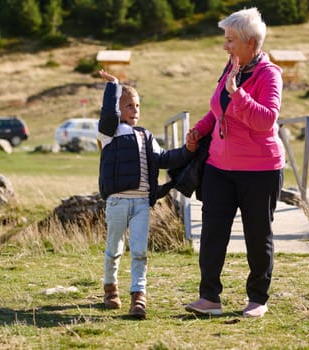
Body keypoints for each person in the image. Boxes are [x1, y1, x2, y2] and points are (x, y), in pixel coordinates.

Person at [184, 7, 285, 318]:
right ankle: (209, 298)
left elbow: (266, 120)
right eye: (225, 39)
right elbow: (218, 110)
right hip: (218, 168)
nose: (225, 46)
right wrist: (200, 130)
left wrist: (239, 95)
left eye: (230, 40)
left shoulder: (270, 75)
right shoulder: (231, 68)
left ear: (250, 44)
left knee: (258, 236)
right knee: (213, 233)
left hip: (260, 170)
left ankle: (257, 300)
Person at [97, 70, 196, 319]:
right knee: (114, 248)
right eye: (129, 105)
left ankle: (138, 297)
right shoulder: (108, 134)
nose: (135, 110)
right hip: (118, 202)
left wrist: (188, 149)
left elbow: (164, 159)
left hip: (141, 203)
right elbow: (108, 115)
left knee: (140, 251)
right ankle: (110, 288)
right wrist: (114, 86)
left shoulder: (145, 135)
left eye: (138, 105)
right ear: (118, 109)